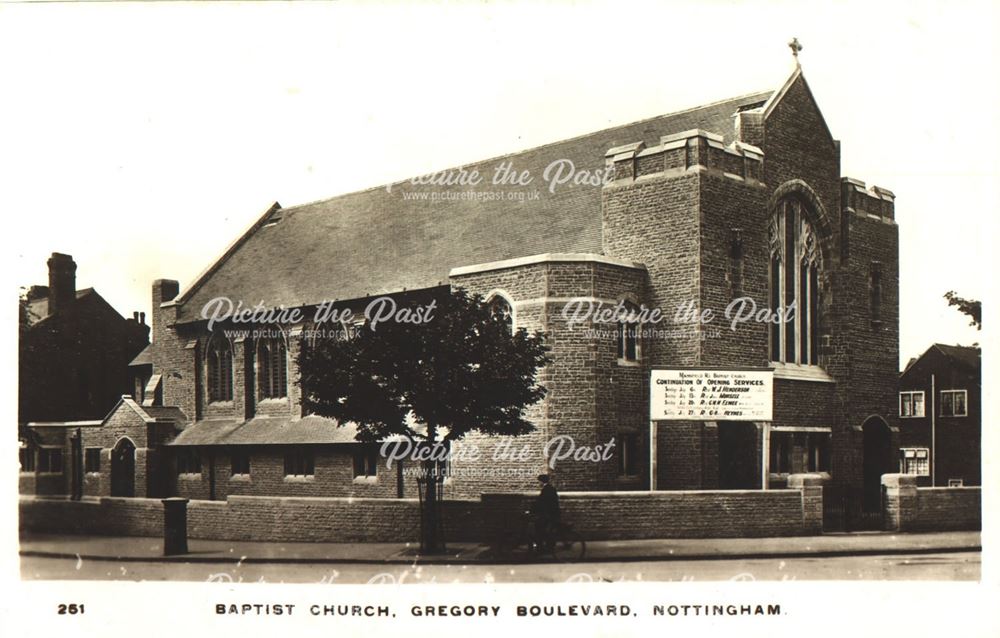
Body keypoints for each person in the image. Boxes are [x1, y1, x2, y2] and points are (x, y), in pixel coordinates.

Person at [532, 473, 560, 553]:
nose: (538, 483)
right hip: (551, 513)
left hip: (550, 514)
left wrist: (533, 510)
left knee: (539, 527)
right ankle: (545, 546)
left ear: (541, 481)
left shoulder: (546, 490)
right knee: (542, 528)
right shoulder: (549, 488)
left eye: (539, 482)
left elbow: (542, 502)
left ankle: (542, 547)